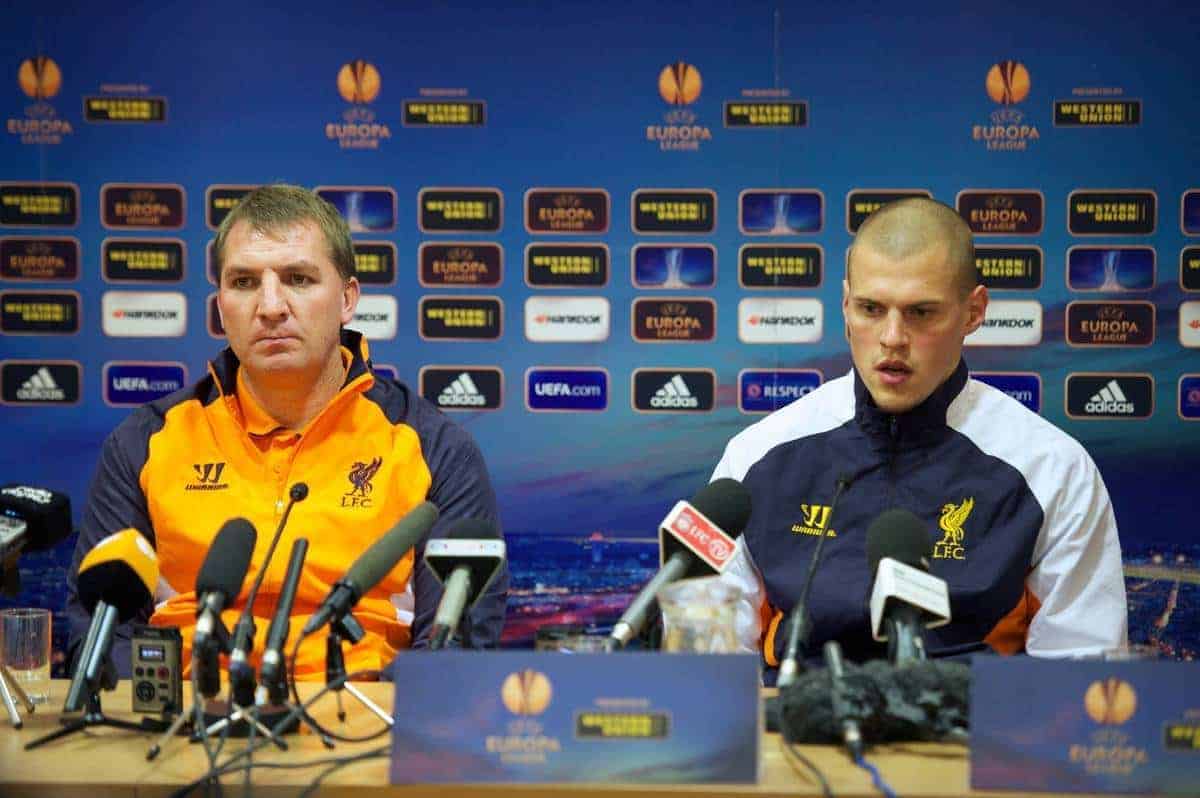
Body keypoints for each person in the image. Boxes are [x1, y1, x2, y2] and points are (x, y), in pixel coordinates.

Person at [66, 184, 507, 679]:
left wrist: (366, 731)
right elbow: (102, 628)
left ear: (347, 299)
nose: (271, 306)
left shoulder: (435, 449)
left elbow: (456, 643)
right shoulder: (145, 442)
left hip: (363, 724)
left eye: (297, 278)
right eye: (245, 282)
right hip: (181, 726)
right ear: (220, 306)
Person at [712, 197, 1126, 675]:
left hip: (976, 738)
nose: (892, 337)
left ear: (974, 312)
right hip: (794, 728)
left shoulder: (1052, 470)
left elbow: (1081, 673)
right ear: (845, 305)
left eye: (921, 313)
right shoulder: (757, 456)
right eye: (870, 308)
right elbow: (713, 659)